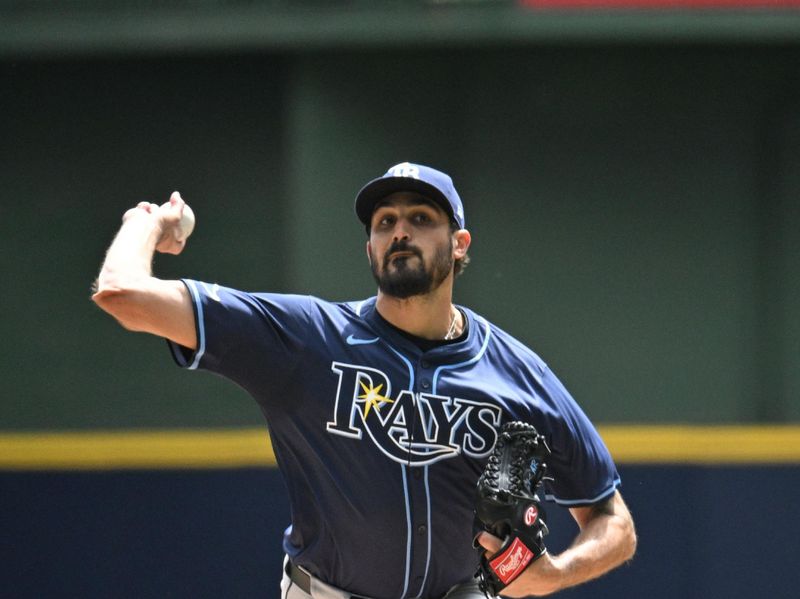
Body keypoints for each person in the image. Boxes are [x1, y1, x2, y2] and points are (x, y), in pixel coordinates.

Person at [92, 162, 636, 598]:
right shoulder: (308, 339)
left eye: (421, 218)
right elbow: (121, 294)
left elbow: (613, 521)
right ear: (369, 249)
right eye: (384, 223)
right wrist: (144, 223)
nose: (400, 230)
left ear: (460, 243)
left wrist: (554, 573)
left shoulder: (519, 374)